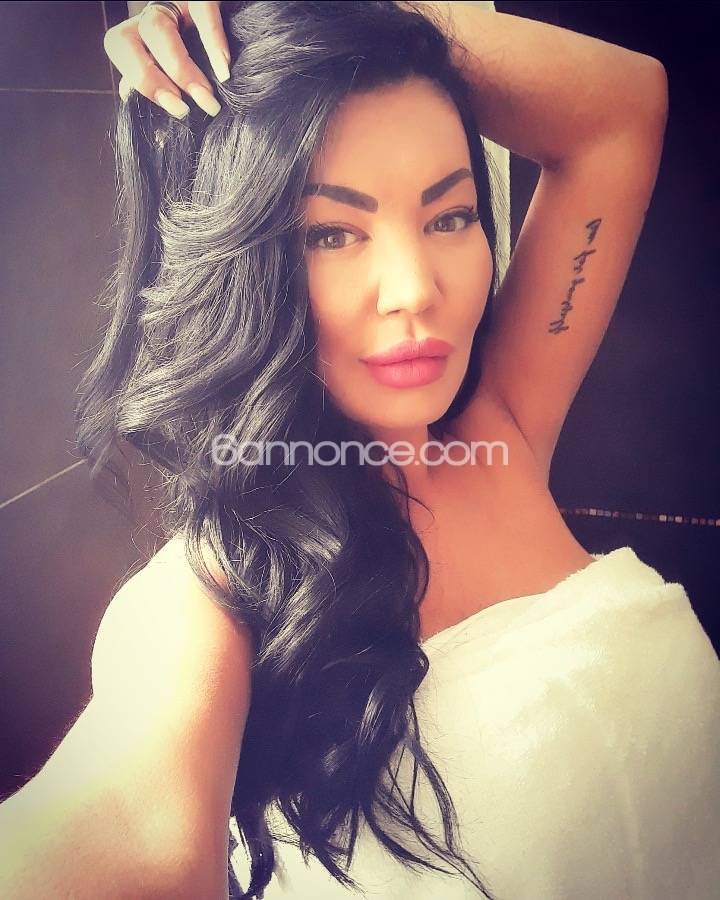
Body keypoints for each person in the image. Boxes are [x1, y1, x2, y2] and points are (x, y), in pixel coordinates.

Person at [1, 2, 718, 899]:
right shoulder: (215, 596)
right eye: (330, 233)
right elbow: (130, 836)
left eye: (449, 217)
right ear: (247, 261)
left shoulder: (499, 432)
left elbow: (622, 104)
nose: (415, 289)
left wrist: (297, 12)